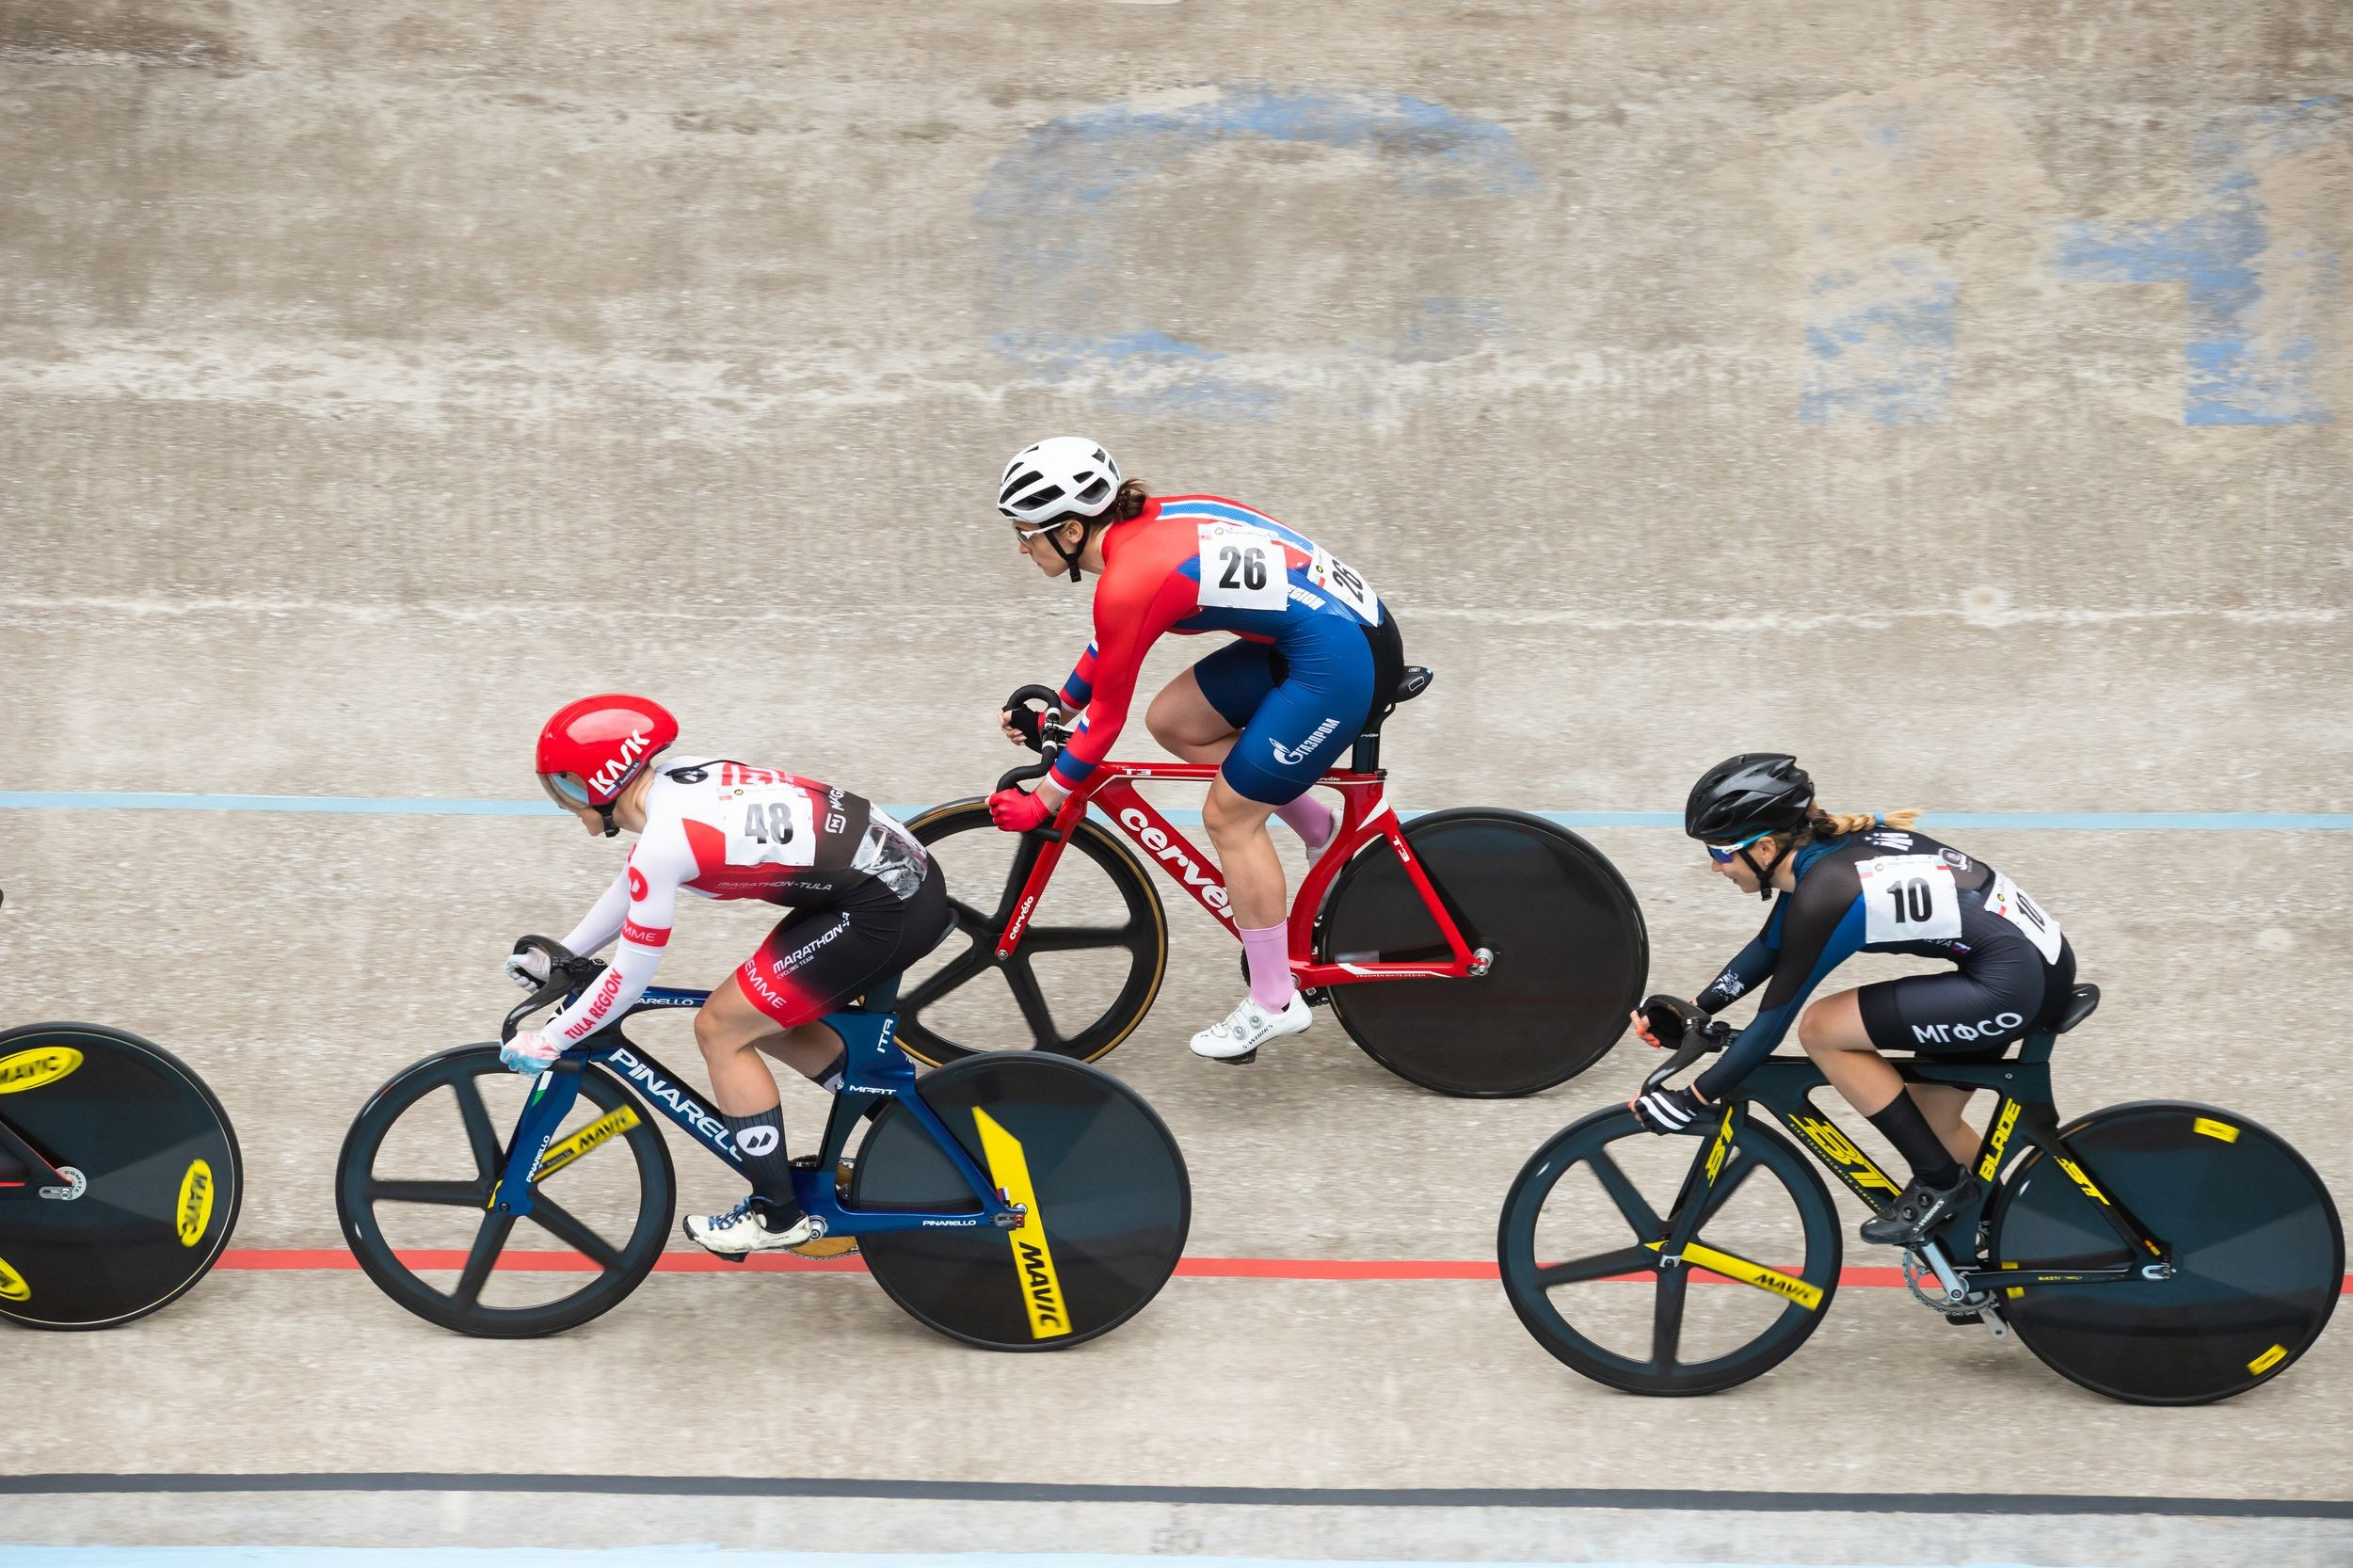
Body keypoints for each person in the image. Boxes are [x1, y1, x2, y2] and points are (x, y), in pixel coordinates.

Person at [986, 437, 1404, 1062]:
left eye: (1027, 533)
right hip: (1325, 633)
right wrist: (1059, 708)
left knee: (1230, 818)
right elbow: (1112, 643)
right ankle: (1320, 828)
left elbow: (1105, 722)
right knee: (1176, 722)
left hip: (1339, 659)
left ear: (1071, 530)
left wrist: (1043, 800)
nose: (1023, 546)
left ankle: (1275, 1001)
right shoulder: (1145, 529)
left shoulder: (1131, 577)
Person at [505, 695, 946, 1256]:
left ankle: (778, 1216)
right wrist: (564, 956)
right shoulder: (677, 781)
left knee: (721, 1028)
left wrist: (554, 1037)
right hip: (885, 886)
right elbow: (633, 885)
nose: (564, 802)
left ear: (606, 780)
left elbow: (628, 977)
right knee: (765, 1018)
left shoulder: (665, 842)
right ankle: (914, 1131)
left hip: (883, 906)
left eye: (567, 787)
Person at [1628, 754, 2076, 1248]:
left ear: (1766, 848)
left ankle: (1942, 1184)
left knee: (1822, 1029)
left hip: (2012, 986)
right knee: (1932, 1121)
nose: (1715, 867)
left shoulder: (1828, 892)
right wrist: (1697, 1008)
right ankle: (2023, 1238)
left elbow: (1770, 1025)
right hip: (2035, 967)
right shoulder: (1822, 858)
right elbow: (1769, 948)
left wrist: (1690, 1100)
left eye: (1720, 852)